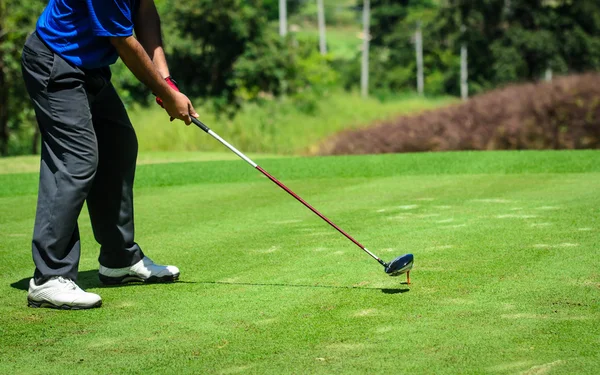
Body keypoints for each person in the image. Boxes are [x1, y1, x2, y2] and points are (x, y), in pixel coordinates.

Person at [21, 0, 198, 309]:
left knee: (118, 145)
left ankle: (119, 260)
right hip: (55, 60)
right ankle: (48, 277)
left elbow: (145, 10)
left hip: (90, 67)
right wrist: (168, 96)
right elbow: (124, 41)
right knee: (76, 159)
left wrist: (166, 79)